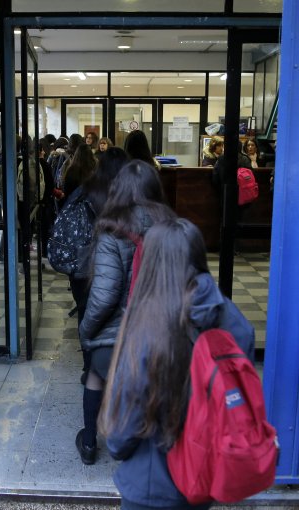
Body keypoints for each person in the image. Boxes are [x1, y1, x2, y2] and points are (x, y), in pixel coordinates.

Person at [99, 218, 255, 510]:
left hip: (151, 485)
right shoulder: (233, 320)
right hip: (204, 475)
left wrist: (117, 446)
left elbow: (125, 423)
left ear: (151, 262)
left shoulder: (147, 323)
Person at [76, 159, 176, 466]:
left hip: (121, 333)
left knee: (96, 370)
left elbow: (104, 295)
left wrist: (87, 331)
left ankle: (90, 442)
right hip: (160, 331)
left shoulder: (112, 231)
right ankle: (149, 446)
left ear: (117, 190)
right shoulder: (171, 225)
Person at [69, 147, 130, 382]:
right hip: (117, 263)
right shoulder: (127, 196)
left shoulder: (85, 191)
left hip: (84, 264)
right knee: (115, 311)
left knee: (87, 311)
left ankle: (90, 367)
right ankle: (118, 364)